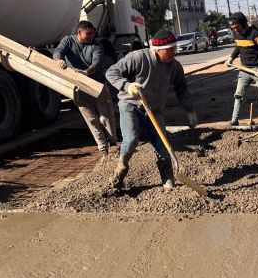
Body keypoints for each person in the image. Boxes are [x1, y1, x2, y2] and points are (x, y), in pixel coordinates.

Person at [105, 28, 198, 190]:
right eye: (170, 50)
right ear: (157, 49)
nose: (173, 53)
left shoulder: (174, 66)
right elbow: (111, 72)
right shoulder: (138, 58)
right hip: (131, 106)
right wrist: (127, 86)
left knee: (162, 144)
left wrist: (190, 110)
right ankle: (122, 166)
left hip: (154, 110)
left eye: (174, 49)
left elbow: (181, 88)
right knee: (132, 139)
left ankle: (168, 178)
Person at [53, 20, 117, 157]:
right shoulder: (68, 41)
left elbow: (97, 64)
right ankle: (103, 150)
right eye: (88, 33)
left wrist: (86, 72)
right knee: (92, 120)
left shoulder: (97, 44)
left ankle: (113, 144)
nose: (91, 36)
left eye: (93, 33)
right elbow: (58, 52)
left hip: (98, 86)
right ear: (79, 33)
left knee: (106, 117)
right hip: (79, 87)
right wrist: (59, 60)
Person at [223, 12, 258, 125]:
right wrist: (231, 58)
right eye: (232, 28)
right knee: (238, 95)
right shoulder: (236, 35)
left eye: (236, 27)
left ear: (243, 24)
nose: (235, 30)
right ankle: (234, 120)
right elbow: (238, 47)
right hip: (244, 70)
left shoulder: (256, 33)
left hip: (257, 70)